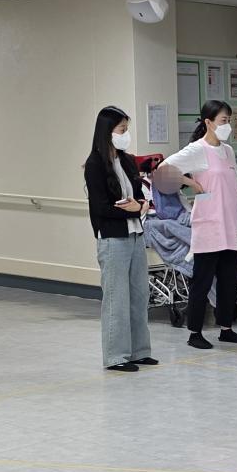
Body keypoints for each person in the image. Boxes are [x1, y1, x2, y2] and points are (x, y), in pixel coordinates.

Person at [167, 99, 237, 349]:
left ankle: (226, 328)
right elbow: (163, 169)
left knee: (228, 280)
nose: (228, 125)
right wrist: (191, 182)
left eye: (229, 120)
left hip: (230, 224)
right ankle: (194, 333)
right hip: (208, 225)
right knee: (202, 282)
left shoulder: (228, 151)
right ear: (208, 122)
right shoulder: (197, 149)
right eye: (224, 120)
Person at [82, 105, 158, 374]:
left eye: (127, 129)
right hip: (112, 238)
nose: (126, 134)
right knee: (117, 298)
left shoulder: (126, 161)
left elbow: (138, 196)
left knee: (139, 294)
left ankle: (140, 351)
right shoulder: (94, 165)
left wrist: (141, 205)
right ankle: (116, 356)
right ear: (107, 131)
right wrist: (132, 209)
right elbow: (100, 207)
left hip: (135, 234)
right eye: (122, 129)